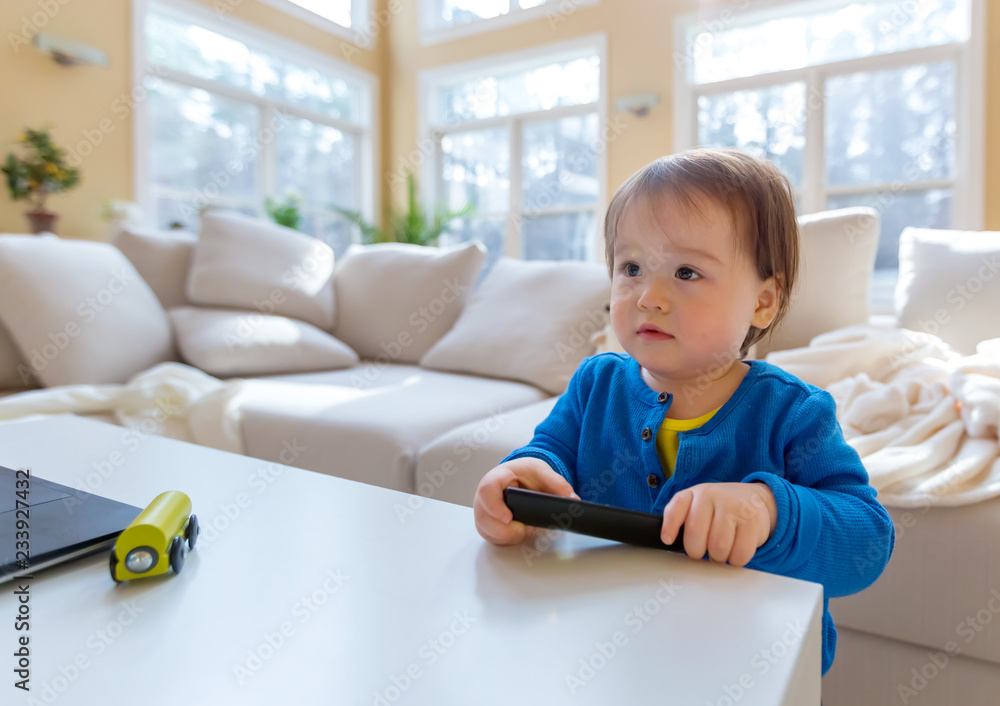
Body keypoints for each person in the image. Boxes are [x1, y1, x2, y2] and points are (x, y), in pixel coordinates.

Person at [472, 147, 895, 675]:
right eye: (631, 267)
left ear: (762, 302)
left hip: (747, 665)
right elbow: (549, 456)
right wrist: (523, 479)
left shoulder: (791, 411)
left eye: (687, 272)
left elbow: (868, 539)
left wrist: (769, 510)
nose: (649, 296)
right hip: (607, 646)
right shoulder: (595, 383)